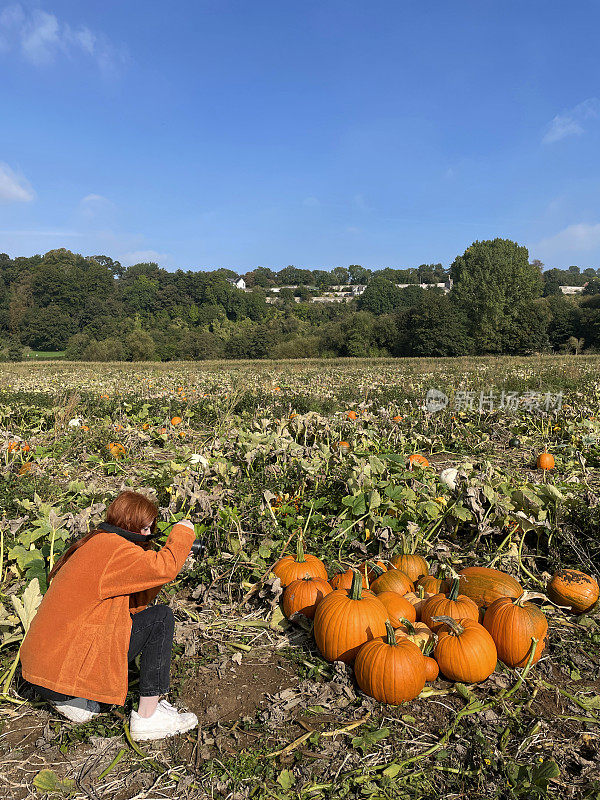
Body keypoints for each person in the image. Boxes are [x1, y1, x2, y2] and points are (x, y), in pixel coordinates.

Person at [20, 490, 199, 741]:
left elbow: (131, 603)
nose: (149, 535)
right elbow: (164, 568)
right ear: (130, 525)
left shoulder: (97, 543)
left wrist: (170, 563)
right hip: (59, 673)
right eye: (146, 529)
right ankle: (149, 717)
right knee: (160, 618)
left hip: (44, 671)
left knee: (144, 620)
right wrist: (183, 532)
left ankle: (72, 699)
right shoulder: (116, 550)